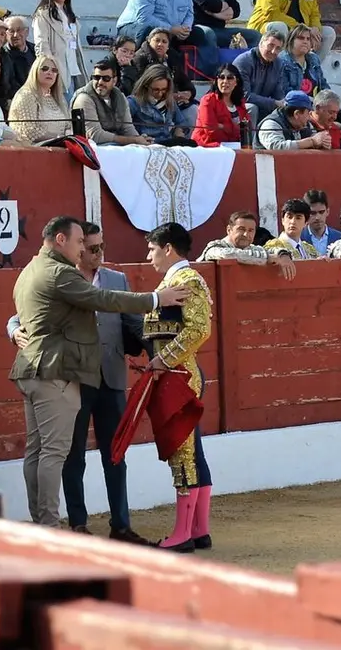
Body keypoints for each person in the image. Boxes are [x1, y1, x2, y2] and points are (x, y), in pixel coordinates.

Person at [8, 216, 189, 529]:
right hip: (59, 372)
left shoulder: (31, 270)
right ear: (61, 240)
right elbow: (100, 300)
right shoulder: (59, 273)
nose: (84, 251)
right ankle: (50, 525)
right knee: (56, 453)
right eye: (81, 243)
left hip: (56, 370)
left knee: (40, 452)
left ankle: (55, 522)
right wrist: (156, 299)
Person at [141, 222, 215, 552]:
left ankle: (183, 534)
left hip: (180, 377)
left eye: (152, 249)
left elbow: (199, 329)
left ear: (168, 248)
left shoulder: (187, 280)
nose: (149, 256)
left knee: (182, 452)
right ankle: (198, 529)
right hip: (176, 375)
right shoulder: (173, 282)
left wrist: (163, 360)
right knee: (192, 449)